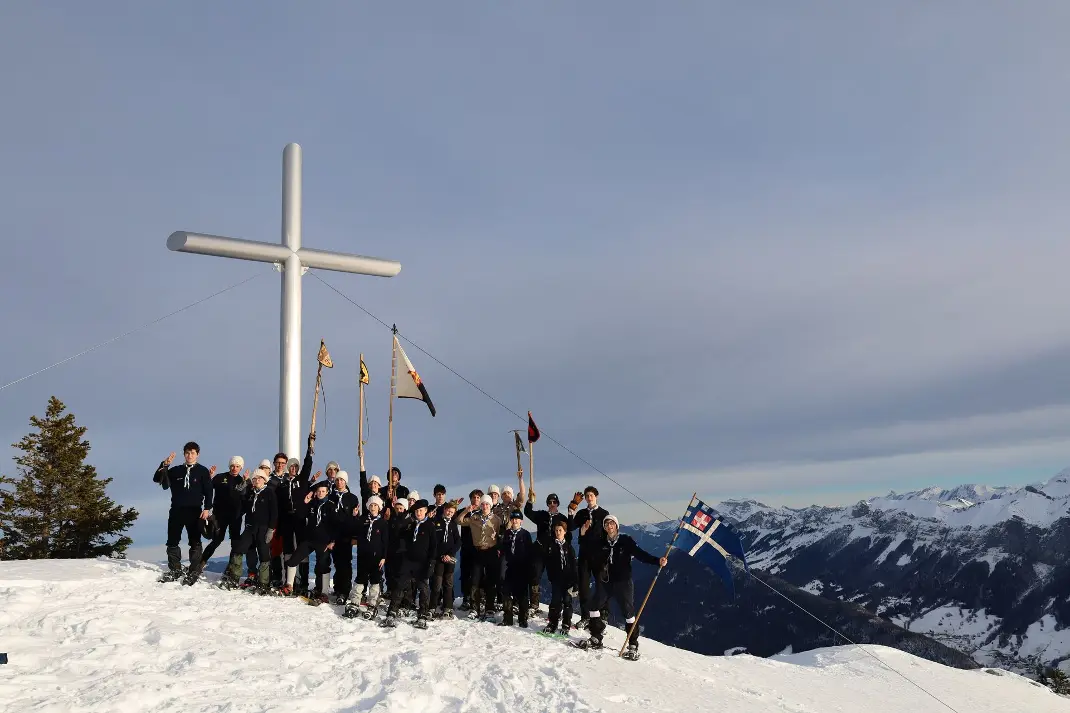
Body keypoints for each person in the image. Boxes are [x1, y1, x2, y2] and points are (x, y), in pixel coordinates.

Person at [574, 515, 667, 658]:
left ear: (617, 526)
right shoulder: (601, 542)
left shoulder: (625, 541)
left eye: (612, 524)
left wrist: (657, 561)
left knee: (628, 612)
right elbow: (587, 548)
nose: (609, 526)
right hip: (606, 581)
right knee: (593, 606)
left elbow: (641, 555)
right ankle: (596, 637)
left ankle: (633, 644)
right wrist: (583, 534)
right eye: (606, 524)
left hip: (623, 582)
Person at [152, 442, 215, 585]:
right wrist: (165, 464)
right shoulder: (176, 470)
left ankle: (193, 571)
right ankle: (175, 569)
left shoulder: (202, 471)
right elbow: (157, 479)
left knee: (195, 541)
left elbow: (209, 491)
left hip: (195, 511)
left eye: (193, 453)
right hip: (176, 510)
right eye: (187, 452)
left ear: (197, 454)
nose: (190, 455)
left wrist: (207, 509)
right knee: (172, 540)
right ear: (184, 454)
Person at [221, 466, 278, 595]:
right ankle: (234, 577)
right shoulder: (250, 492)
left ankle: (264, 582)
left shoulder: (269, 492)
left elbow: (274, 512)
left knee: (264, 554)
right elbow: (239, 499)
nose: (257, 480)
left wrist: (271, 529)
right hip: (249, 527)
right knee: (239, 548)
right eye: (254, 478)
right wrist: (243, 486)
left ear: (264, 480)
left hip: (263, 528)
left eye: (259, 478)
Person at [518, 480, 572, 616]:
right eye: (550, 502)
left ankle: (556, 606)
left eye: (554, 502)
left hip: (554, 552)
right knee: (535, 576)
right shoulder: (542, 515)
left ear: (558, 504)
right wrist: (530, 500)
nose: (552, 504)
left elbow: (569, 532)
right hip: (539, 550)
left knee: (555, 579)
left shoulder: (562, 518)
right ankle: (534, 605)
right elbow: (527, 512)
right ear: (547, 504)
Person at [384, 499, 435, 628]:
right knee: (399, 585)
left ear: (426, 511)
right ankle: (391, 613)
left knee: (423, 588)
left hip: (422, 562)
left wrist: (431, 563)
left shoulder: (430, 526)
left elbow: (434, 547)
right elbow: (400, 535)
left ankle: (422, 615)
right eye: (417, 511)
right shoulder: (411, 525)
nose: (418, 513)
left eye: (421, 510)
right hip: (408, 561)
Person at [284, 481, 338, 604]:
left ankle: (324, 592)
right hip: (309, 539)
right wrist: (305, 502)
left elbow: (336, 526)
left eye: (323, 491)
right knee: (293, 560)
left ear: (327, 492)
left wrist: (333, 541)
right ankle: (289, 585)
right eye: (319, 491)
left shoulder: (331, 506)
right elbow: (300, 515)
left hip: (324, 542)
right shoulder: (312, 504)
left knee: (323, 566)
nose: (320, 493)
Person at [569, 485, 609, 628]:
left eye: (591, 495)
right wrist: (571, 509)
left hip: (599, 555)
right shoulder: (582, 513)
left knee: (601, 585)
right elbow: (571, 526)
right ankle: (585, 616)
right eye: (587, 496)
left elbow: (608, 534)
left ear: (596, 496)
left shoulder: (604, 513)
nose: (589, 498)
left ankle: (603, 616)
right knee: (584, 587)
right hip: (584, 553)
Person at [462, 494, 503, 620]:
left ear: (490, 506)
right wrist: (466, 511)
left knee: (491, 581)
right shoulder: (475, 518)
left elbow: (502, 534)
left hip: (491, 552)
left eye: (487, 504)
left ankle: (489, 609)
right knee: (475, 580)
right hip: (478, 551)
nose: (485, 506)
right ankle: (475, 609)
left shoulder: (497, 519)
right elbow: (459, 521)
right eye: (483, 504)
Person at [346, 494, 388, 619]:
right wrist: (354, 516)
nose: (373, 507)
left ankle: (372, 603)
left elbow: (385, 542)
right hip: (363, 555)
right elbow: (353, 529)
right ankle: (355, 602)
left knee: (375, 580)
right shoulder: (363, 520)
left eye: (375, 505)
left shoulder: (383, 523)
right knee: (360, 578)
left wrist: (384, 557)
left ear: (379, 507)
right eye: (371, 505)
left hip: (376, 557)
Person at [201, 457, 247, 565]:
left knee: (235, 542)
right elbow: (207, 489)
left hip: (235, 517)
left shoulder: (242, 481)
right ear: (229, 466)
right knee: (217, 539)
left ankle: (231, 570)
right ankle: (201, 562)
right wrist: (209, 477)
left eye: (237, 466)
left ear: (241, 467)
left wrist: (241, 512)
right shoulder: (220, 477)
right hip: (220, 515)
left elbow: (244, 498)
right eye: (232, 466)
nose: (234, 468)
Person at [327, 471, 360, 603]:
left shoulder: (352, 498)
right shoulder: (331, 497)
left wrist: (354, 536)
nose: (339, 482)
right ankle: (337, 587)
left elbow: (355, 519)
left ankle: (344, 591)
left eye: (342, 480)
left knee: (345, 563)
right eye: (337, 480)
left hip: (346, 535)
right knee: (336, 562)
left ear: (346, 482)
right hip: (334, 535)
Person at [498, 510, 533, 628]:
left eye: (517, 519)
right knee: (506, 593)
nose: (515, 521)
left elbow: (529, 552)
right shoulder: (507, 534)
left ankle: (523, 619)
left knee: (522, 594)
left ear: (521, 521)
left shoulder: (526, 534)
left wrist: (529, 570)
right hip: (509, 567)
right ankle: (507, 618)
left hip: (521, 567)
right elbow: (502, 550)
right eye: (513, 519)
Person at [543, 519, 578, 634]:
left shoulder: (569, 548)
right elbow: (548, 563)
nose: (558, 532)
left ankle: (566, 624)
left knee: (567, 602)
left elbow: (574, 565)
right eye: (556, 530)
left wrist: (575, 581)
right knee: (555, 602)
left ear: (565, 532)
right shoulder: (551, 546)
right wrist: (551, 576)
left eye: (560, 530)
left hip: (568, 580)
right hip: (557, 579)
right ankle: (552, 623)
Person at [430, 499, 461, 618]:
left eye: (452, 512)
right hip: (438, 559)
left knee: (448, 583)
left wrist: (450, 554)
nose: (449, 513)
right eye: (448, 510)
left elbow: (458, 542)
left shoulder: (453, 525)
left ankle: (448, 607)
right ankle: (432, 606)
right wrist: (440, 555)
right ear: (444, 510)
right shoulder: (436, 522)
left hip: (450, 559)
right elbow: (433, 541)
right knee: (437, 584)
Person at [458, 489, 483, 610]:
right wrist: (463, 509)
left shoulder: (484, 512)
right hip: (466, 547)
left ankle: (478, 598)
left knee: (477, 574)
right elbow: (454, 517)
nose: (476, 499)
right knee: (465, 574)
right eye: (474, 497)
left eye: (478, 497)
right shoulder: (465, 511)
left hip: (478, 548)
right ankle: (466, 598)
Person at [385, 499, 409, 606]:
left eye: (401, 508)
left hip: (404, 551)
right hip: (392, 550)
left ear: (405, 509)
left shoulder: (409, 520)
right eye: (397, 508)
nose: (399, 510)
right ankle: (393, 596)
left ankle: (406, 600)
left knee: (403, 577)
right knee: (392, 574)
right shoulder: (391, 519)